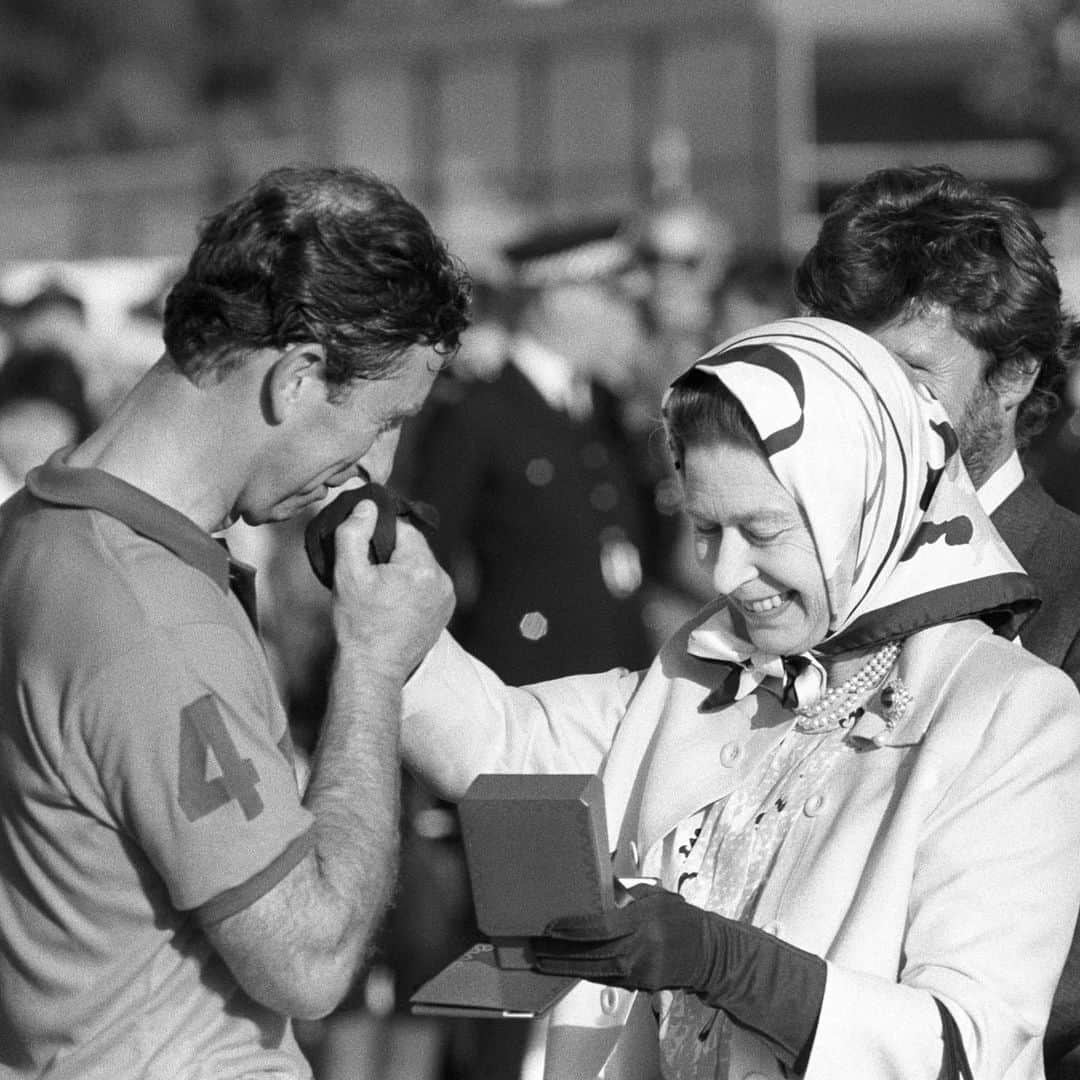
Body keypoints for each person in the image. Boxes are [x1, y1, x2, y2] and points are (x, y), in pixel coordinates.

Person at [394, 317, 1080, 1079]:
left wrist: (730, 964)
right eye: (706, 529)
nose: (724, 575)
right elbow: (501, 743)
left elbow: (969, 1046)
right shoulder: (707, 667)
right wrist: (385, 599)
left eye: (763, 530)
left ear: (866, 505)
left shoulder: (1011, 713)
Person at [0, 163, 469, 1079]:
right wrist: (372, 665)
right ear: (297, 377)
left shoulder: (33, 529)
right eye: (383, 418)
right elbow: (311, 956)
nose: (377, 468)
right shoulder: (148, 621)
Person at [791, 163, 1080, 1075]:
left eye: (911, 371)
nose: (867, 404)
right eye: (845, 364)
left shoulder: (1071, 586)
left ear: (1013, 379)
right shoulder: (784, 580)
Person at [408, 215, 658, 685]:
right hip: (527, 680)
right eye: (608, 296)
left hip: (618, 669)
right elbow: (430, 559)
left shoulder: (605, 407)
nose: (622, 315)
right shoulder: (478, 411)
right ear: (556, 300)